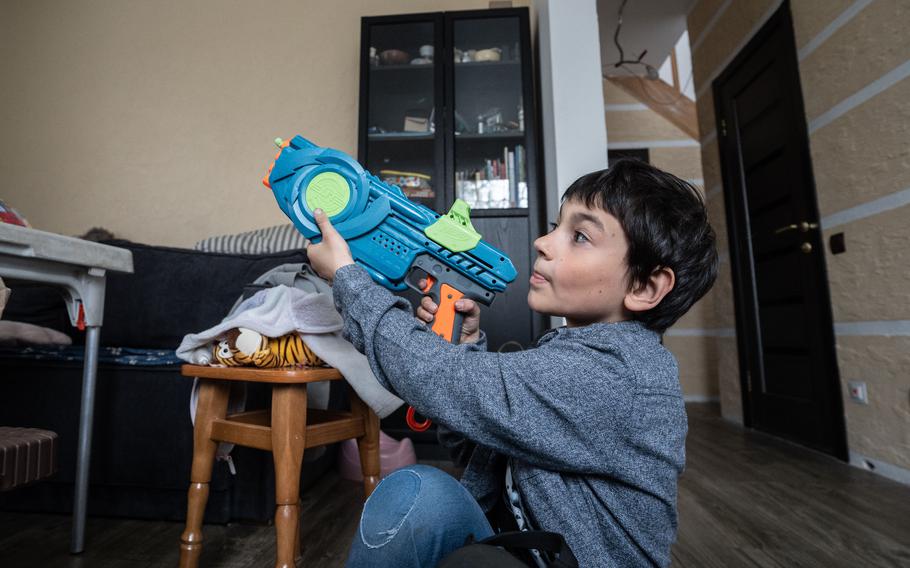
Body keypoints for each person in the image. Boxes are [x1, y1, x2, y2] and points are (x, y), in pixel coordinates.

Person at [307, 159, 718, 567]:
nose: (544, 241)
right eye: (557, 225)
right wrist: (466, 346)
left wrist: (347, 278)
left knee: (426, 503)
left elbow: (443, 381)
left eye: (579, 236)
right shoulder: (567, 355)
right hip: (525, 551)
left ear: (645, 287)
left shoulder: (616, 375)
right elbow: (480, 451)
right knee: (429, 501)